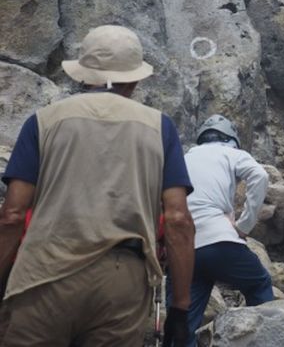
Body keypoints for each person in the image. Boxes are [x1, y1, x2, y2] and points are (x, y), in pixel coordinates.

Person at [0, 24, 195, 347]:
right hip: (122, 282)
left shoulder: (44, 121)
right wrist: (180, 308)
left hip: (45, 273)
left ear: (83, 76)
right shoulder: (160, 127)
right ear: (134, 79)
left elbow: (12, 215)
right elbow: (178, 220)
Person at [177, 115, 273, 347]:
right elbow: (260, 176)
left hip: (184, 249)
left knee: (184, 320)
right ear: (231, 139)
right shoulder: (231, 153)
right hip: (220, 240)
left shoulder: (184, 158)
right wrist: (244, 226)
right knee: (258, 284)